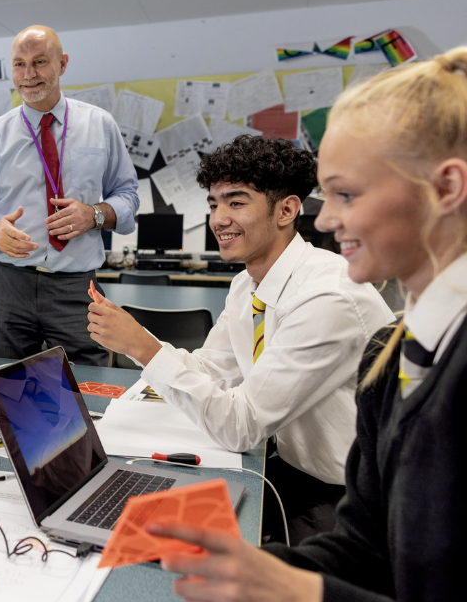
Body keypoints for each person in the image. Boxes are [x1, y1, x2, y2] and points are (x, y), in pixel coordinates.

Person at [147, 47, 467, 602]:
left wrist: (298, 594)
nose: (325, 219)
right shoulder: (395, 351)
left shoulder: (372, 320)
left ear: (445, 189)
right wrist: (254, 570)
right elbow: (369, 545)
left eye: (347, 193)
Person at [88, 135, 393, 544]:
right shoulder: (248, 284)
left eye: (236, 202)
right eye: (214, 204)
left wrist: (142, 347)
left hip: (349, 500)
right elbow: (212, 369)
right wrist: (141, 340)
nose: (218, 219)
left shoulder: (326, 297)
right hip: (284, 465)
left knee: (194, 555)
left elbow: (242, 426)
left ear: (287, 210)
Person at [0, 25, 139, 366]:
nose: (29, 75)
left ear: (62, 64)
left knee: (89, 386)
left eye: (40, 62)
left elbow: (127, 194)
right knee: (10, 388)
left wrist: (94, 214)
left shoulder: (99, 125)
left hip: (74, 285)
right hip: (7, 282)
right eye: (19, 64)